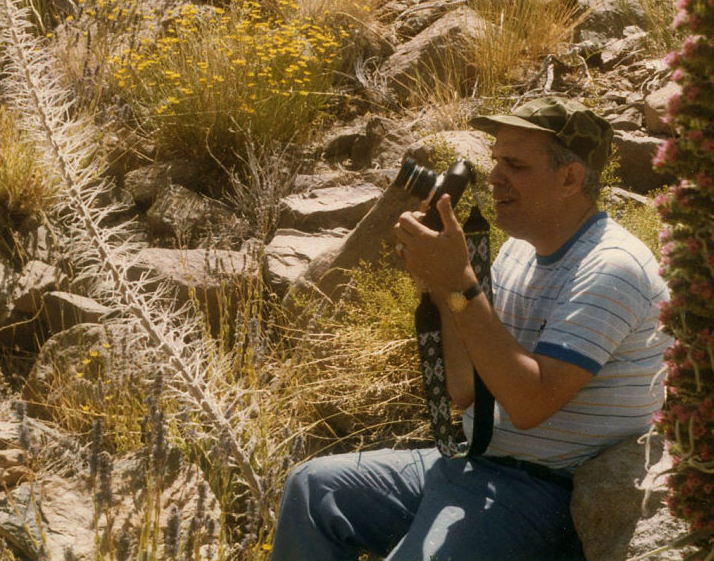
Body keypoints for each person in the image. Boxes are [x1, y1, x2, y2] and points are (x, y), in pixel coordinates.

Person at [268, 97, 670, 561]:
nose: (494, 176)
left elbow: (528, 403)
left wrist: (459, 280)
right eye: (496, 161)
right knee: (313, 490)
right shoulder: (519, 251)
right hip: (474, 461)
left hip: (544, 489)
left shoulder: (611, 268)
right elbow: (465, 391)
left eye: (515, 165)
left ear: (570, 178)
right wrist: (442, 288)